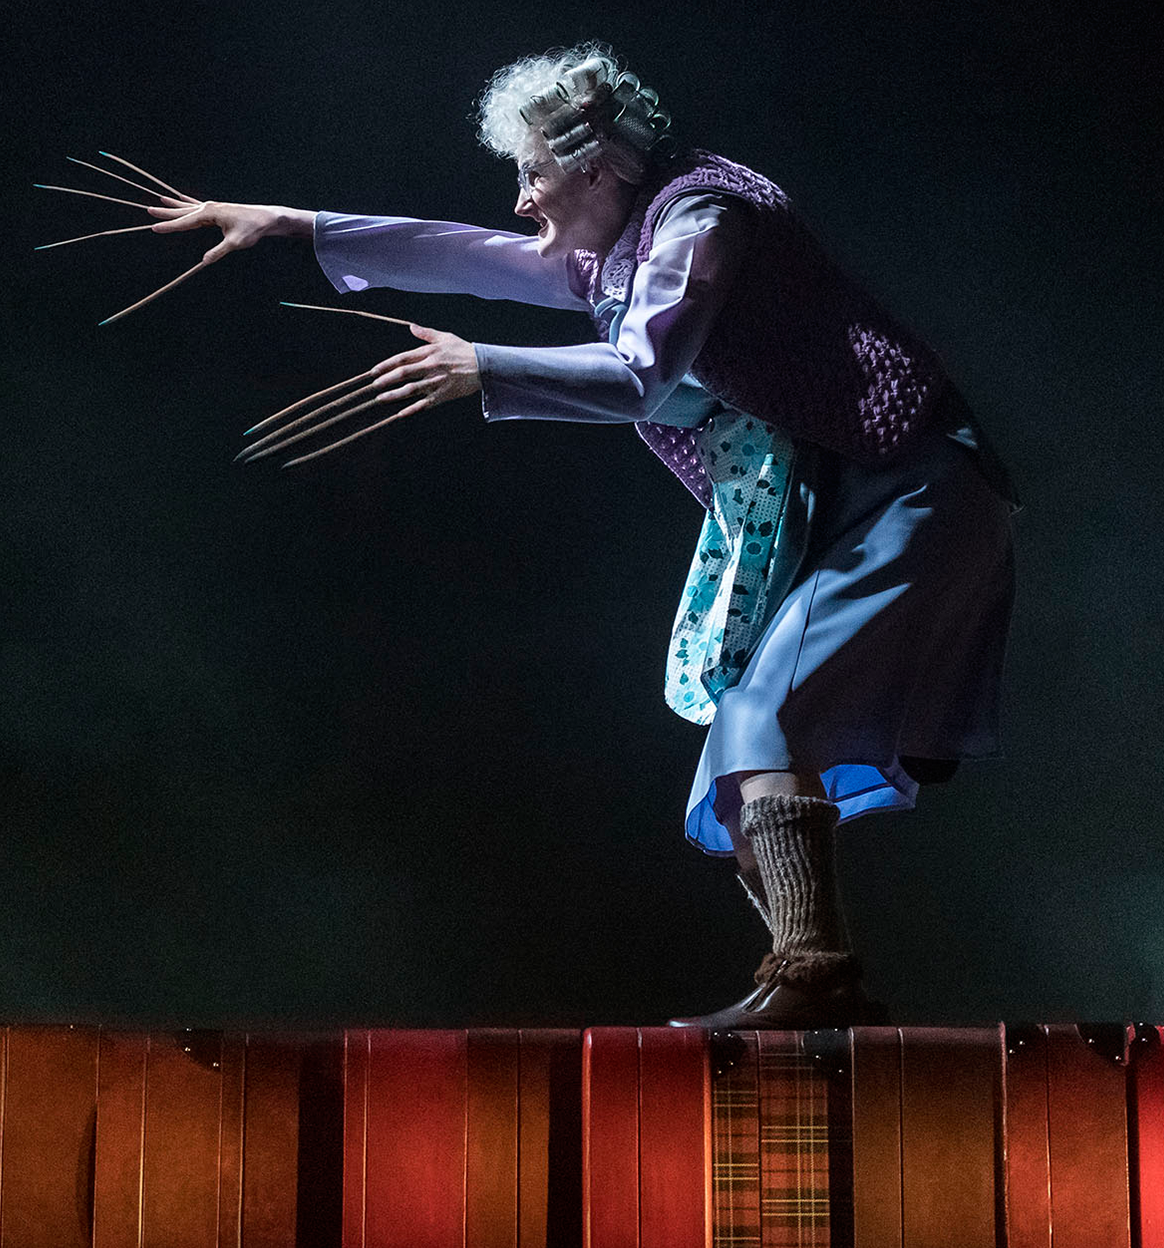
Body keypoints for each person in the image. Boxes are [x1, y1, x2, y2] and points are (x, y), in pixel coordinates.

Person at [140, 44, 1017, 1027]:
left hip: (910, 483)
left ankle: (816, 978)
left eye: (532, 174)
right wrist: (292, 225)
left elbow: (639, 372)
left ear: (596, 169)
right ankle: (814, 976)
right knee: (738, 762)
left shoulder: (703, 220)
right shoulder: (628, 239)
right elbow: (477, 257)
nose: (521, 201)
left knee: (762, 719)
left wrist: (484, 367)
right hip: (855, 493)